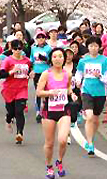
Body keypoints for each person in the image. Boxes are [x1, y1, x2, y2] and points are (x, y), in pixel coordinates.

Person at [37, 48, 78, 179]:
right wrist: (50, 93)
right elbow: (38, 92)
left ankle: (59, 161)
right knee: (49, 143)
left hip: (64, 110)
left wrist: (72, 94)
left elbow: (68, 87)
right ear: (51, 59)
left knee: (62, 140)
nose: (58, 59)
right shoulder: (46, 74)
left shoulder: (68, 74)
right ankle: (49, 166)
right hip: (49, 111)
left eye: (60, 56)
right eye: (55, 56)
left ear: (64, 59)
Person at [74, 36, 107, 156]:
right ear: (87, 47)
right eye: (91, 46)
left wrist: (99, 76)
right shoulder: (83, 61)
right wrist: (78, 81)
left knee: (95, 119)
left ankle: (91, 135)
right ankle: (90, 143)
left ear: (99, 47)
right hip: (87, 91)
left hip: (100, 93)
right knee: (89, 117)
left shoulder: (105, 60)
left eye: (95, 46)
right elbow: (79, 73)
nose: (93, 48)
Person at [0, 39, 32, 144]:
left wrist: (32, 73)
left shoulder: (27, 61)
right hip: (9, 89)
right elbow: (1, 74)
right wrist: (11, 72)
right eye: (15, 49)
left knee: (19, 111)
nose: (18, 51)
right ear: (12, 49)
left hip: (22, 89)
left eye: (20, 49)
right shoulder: (8, 60)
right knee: (11, 112)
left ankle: (19, 133)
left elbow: (31, 69)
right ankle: (8, 119)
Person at [30, 30, 53, 123]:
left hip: (46, 72)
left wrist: (45, 59)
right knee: (38, 92)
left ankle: (47, 110)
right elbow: (31, 60)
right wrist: (31, 70)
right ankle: (38, 112)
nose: (40, 39)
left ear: (45, 39)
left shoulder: (48, 48)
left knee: (47, 91)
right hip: (37, 72)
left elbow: (52, 61)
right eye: (38, 37)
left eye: (42, 37)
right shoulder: (33, 48)